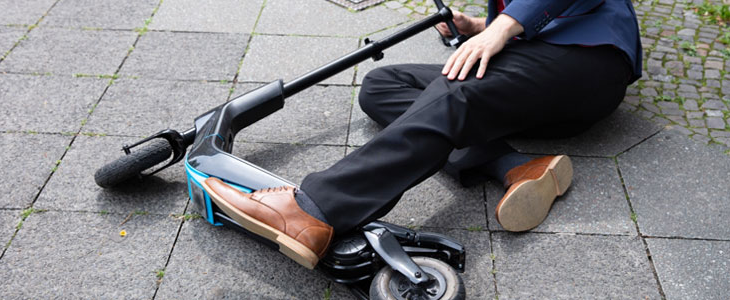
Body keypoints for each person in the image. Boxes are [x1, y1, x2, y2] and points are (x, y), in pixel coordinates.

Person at [200, 0, 643, 269]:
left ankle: (314, 210)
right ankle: (518, 166)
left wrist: (502, 30)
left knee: (455, 92)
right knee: (383, 86)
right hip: (540, 81)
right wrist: (477, 28)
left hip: (586, 61)